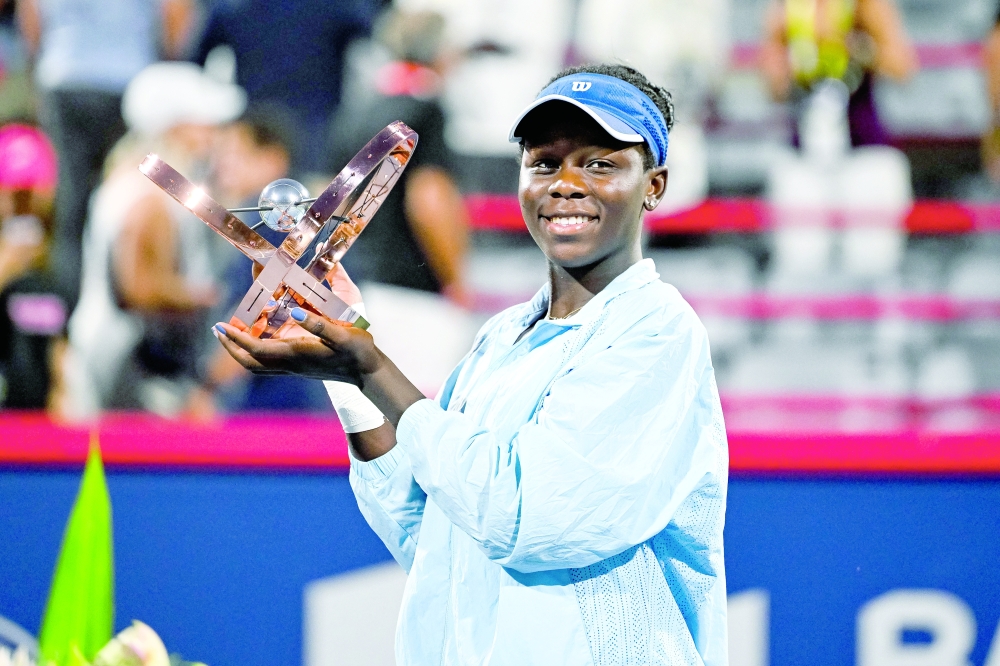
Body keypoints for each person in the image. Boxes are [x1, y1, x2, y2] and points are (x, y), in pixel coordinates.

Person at [214, 64, 729, 664]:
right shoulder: (502, 338)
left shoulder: (659, 333)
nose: (564, 183)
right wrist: (348, 371)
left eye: (599, 163)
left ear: (654, 185)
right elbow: (430, 529)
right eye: (543, 162)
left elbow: (524, 516)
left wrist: (371, 366)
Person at [68, 62, 245, 415]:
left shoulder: (137, 179)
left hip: (129, 360)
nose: (213, 135)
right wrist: (211, 297)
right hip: (129, 367)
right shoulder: (150, 196)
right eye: (204, 124)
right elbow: (140, 289)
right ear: (175, 126)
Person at [16, 0, 195, 303]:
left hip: (66, 76)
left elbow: (31, 15)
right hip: (127, 79)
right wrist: (166, 66)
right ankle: (108, 307)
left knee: (73, 207)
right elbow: (176, 12)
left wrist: (40, 64)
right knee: (121, 195)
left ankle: (73, 315)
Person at [328, 8, 469, 303]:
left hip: (357, 282)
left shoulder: (357, 110)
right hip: (412, 291)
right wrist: (457, 282)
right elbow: (428, 200)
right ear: (439, 52)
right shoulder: (426, 110)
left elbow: (332, 198)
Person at [193, 0, 376, 174]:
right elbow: (371, 29)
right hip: (283, 128)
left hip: (293, 128)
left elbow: (196, 60)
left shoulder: (237, 5)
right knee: (308, 197)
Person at [761, 0, 917, 147]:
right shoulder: (787, 8)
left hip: (861, 139)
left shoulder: (863, 5)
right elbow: (773, 89)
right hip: (806, 140)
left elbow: (902, 67)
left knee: (887, 167)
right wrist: (788, 65)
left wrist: (857, 48)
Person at [0, 122, 68, 412]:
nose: (23, 209)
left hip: (39, 424)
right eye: (15, 196)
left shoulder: (57, 260)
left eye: (30, 195)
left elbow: (58, 348)